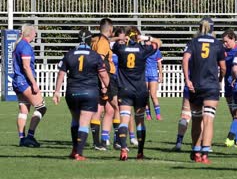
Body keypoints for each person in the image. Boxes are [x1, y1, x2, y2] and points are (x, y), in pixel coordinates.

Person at [52, 29, 110, 160]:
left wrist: (56, 91)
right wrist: (108, 88)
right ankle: (79, 153)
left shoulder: (69, 54)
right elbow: (103, 74)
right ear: (90, 41)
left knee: (75, 120)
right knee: (84, 122)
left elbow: (61, 73)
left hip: (72, 92)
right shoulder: (95, 55)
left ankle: (74, 150)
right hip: (90, 92)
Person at [112, 26, 162, 160]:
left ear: (127, 37)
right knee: (140, 122)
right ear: (138, 37)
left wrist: (119, 38)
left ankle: (123, 149)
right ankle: (140, 152)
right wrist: (147, 38)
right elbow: (159, 43)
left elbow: (107, 41)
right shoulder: (143, 49)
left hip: (125, 89)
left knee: (124, 121)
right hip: (140, 90)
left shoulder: (120, 48)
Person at [182, 17, 226, 164]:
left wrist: (188, 80)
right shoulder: (218, 44)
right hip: (211, 86)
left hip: (196, 86)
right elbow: (224, 67)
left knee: (196, 120)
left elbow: (185, 59)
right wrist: (220, 78)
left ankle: (195, 151)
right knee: (208, 120)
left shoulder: (193, 42)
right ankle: (205, 153)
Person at [12, 24, 47, 148]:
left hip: (17, 81)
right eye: (35, 33)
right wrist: (34, 83)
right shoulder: (25, 46)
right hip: (24, 82)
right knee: (41, 107)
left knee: (24, 110)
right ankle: (30, 137)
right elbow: (26, 67)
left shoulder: (18, 45)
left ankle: (22, 139)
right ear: (30, 33)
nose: (36, 35)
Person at [90, 18, 119, 151]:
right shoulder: (102, 43)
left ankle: (104, 140)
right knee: (115, 107)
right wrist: (103, 83)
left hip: (100, 77)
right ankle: (116, 140)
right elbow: (100, 62)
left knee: (109, 109)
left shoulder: (95, 39)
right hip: (105, 77)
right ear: (110, 30)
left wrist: (117, 39)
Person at [222, 29, 237, 147]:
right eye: (223, 42)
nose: (225, 44)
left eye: (226, 41)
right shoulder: (223, 51)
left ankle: (235, 138)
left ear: (233, 39)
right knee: (234, 114)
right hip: (228, 85)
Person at [145, 42, 163, 121]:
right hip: (144, 75)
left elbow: (159, 63)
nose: (146, 43)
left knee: (153, 95)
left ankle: (158, 115)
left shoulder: (157, 51)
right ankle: (148, 115)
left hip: (153, 75)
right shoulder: (143, 50)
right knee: (145, 96)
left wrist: (161, 75)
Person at [172, 86, 192, 152]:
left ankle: (179, 142)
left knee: (185, 116)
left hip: (190, 86)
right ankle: (204, 145)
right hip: (206, 86)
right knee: (203, 118)